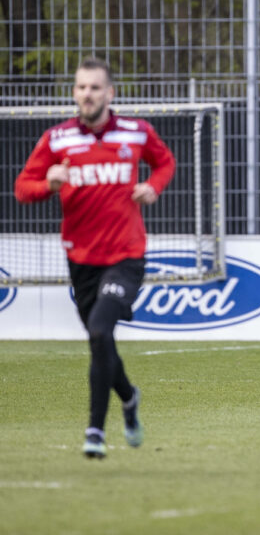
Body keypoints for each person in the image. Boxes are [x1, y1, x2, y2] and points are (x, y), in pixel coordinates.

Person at [14, 57, 176, 459]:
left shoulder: (136, 132)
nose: (87, 94)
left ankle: (95, 431)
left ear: (110, 93)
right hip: (80, 257)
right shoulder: (57, 139)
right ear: (75, 92)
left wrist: (153, 186)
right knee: (99, 340)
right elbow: (22, 187)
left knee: (102, 331)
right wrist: (48, 183)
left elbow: (165, 162)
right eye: (81, 87)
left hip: (125, 253)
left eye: (94, 87)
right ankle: (129, 397)